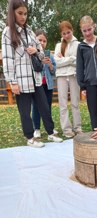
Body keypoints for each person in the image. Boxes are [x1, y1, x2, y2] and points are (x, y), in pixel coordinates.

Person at [2, 0, 63, 148]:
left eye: (25, 13)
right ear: (13, 13)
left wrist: (36, 51)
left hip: (35, 78)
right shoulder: (8, 32)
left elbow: (41, 53)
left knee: (44, 106)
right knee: (25, 110)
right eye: (20, 13)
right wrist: (12, 81)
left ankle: (50, 132)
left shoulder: (29, 31)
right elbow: (8, 59)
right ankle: (30, 138)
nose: (23, 16)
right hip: (21, 81)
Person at [76, 15, 97, 130]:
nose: (87, 33)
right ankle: (95, 130)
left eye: (89, 29)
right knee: (92, 109)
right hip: (89, 82)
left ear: (94, 27)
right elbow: (80, 67)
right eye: (84, 31)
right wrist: (82, 85)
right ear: (81, 30)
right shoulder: (81, 47)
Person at [54, 21, 82, 138]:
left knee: (75, 102)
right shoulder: (58, 46)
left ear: (72, 31)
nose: (66, 35)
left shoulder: (78, 45)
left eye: (68, 32)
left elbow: (79, 63)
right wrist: (71, 59)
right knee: (63, 104)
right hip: (61, 76)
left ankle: (78, 127)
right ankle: (67, 130)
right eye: (64, 33)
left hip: (74, 75)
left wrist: (65, 59)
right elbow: (57, 62)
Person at [32, 30, 58, 138]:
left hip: (48, 85)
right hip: (37, 85)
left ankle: (50, 128)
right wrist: (41, 63)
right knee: (36, 107)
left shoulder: (49, 55)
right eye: (40, 40)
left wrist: (51, 65)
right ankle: (36, 129)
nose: (42, 43)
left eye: (44, 41)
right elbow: (32, 69)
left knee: (47, 107)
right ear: (35, 41)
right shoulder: (33, 54)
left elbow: (54, 71)